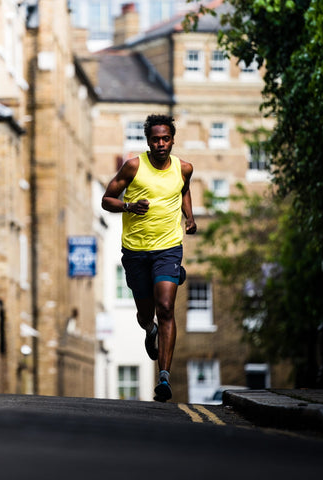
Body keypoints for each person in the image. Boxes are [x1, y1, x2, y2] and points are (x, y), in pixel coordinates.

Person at [101, 114, 196, 402]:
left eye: (165, 138)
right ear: (148, 141)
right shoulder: (133, 166)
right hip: (136, 251)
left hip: (168, 247)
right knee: (146, 313)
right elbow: (106, 200)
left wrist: (188, 217)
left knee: (166, 306)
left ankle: (164, 377)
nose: (160, 144)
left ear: (172, 139)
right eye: (155, 139)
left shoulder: (184, 168)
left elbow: (184, 190)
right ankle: (149, 329)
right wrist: (129, 205)